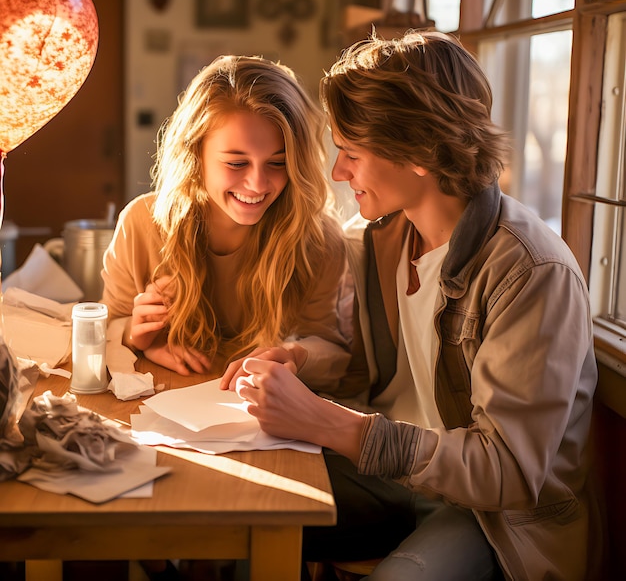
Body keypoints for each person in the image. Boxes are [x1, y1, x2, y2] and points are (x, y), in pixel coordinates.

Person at [222, 31, 601, 580]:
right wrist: (296, 358)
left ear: (419, 153)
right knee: (240, 510)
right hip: (396, 481)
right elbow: (374, 366)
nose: (337, 173)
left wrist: (330, 424)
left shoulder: (532, 273)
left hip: (494, 520)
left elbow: (508, 473)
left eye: (351, 153)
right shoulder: (382, 239)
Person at [101, 54, 354, 395]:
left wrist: (295, 355)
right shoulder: (141, 224)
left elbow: (332, 352)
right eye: (237, 162)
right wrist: (135, 335)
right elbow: (104, 326)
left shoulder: (317, 240)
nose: (258, 184)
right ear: (195, 153)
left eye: (278, 163)